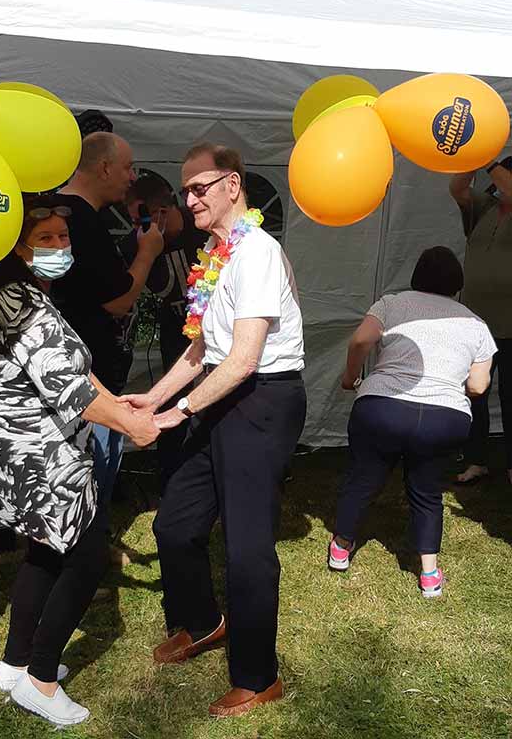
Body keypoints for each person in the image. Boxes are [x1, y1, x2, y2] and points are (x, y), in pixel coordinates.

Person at [0, 195, 159, 726]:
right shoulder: (22, 303)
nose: (58, 246)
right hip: (41, 458)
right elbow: (67, 388)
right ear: (17, 246)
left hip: (20, 453)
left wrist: (117, 405)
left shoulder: (16, 292)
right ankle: (40, 680)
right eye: (44, 238)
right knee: (87, 557)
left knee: (46, 554)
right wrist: (135, 424)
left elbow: (70, 368)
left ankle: (13, 664)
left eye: (62, 237)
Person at [124, 143, 306, 717]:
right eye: (185, 190)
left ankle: (259, 676)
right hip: (220, 391)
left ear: (232, 184)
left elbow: (245, 358)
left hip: (261, 400)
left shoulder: (258, 252)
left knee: (248, 547)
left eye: (200, 187)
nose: (189, 199)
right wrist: (150, 398)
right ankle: (203, 623)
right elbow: (203, 349)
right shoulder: (215, 251)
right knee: (175, 524)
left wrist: (177, 414)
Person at [330, 247, 495, 598]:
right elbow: (478, 386)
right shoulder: (476, 324)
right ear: (457, 282)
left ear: (417, 275)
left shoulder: (391, 303)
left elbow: (361, 339)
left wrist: (350, 377)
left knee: (363, 478)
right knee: (427, 491)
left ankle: (342, 548)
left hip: (382, 407)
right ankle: (429, 574)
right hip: (444, 418)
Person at [52, 132, 164, 510]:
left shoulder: (65, 211)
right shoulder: (79, 219)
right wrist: (148, 253)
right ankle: (86, 549)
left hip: (77, 366)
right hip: (87, 371)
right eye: (128, 168)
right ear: (103, 168)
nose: (133, 178)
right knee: (89, 471)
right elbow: (118, 301)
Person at [126, 174, 207, 488]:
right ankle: (172, 476)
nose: (136, 227)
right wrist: (146, 251)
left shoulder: (199, 229)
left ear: (159, 212)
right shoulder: (138, 243)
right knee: (174, 397)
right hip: (178, 331)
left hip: (214, 331)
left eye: (139, 219)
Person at [449, 156, 512, 485]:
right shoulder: (484, 207)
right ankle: (476, 459)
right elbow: (457, 187)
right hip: (477, 323)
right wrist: (471, 155)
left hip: (511, 326)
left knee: (511, 396)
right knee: (475, 393)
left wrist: (489, 160)